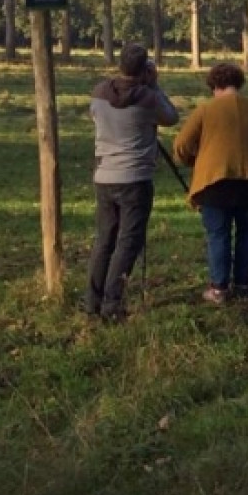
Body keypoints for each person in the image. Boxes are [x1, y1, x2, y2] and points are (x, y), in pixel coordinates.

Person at [173, 63, 248, 304]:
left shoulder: (205, 110)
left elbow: (181, 145)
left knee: (218, 234)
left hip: (215, 182)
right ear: (239, 83)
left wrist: (195, 162)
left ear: (214, 86)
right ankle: (244, 283)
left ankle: (219, 288)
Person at [86, 43, 179, 321]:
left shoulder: (99, 93)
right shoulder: (148, 98)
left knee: (105, 240)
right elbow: (171, 118)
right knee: (128, 242)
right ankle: (113, 303)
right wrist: (155, 86)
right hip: (135, 178)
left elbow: (95, 116)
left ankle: (92, 300)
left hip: (104, 176)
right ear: (143, 69)